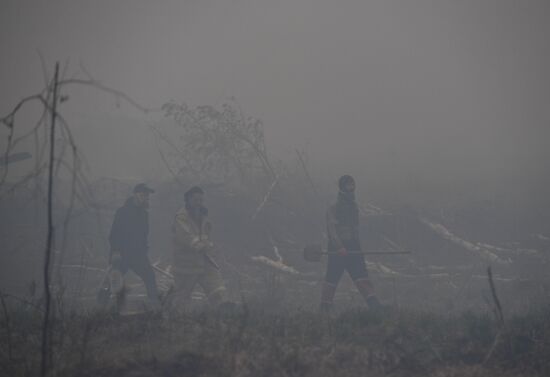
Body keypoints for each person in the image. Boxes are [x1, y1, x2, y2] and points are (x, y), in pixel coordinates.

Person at [320, 175, 381, 311]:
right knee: (331, 280)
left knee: (362, 277)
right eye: (348, 186)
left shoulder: (354, 207)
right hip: (337, 250)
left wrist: (357, 246)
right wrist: (339, 247)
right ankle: (324, 311)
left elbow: (355, 229)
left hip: (354, 247)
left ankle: (377, 310)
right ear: (342, 188)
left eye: (352, 186)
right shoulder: (333, 208)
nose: (351, 189)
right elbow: (332, 231)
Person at [171, 186, 226, 309]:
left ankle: (222, 310)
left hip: (204, 261)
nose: (199, 203)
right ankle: (174, 320)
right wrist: (200, 246)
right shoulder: (181, 217)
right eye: (196, 200)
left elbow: (207, 236)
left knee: (216, 287)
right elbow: (185, 236)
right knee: (181, 297)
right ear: (188, 200)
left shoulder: (204, 216)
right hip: (185, 264)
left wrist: (211, 247)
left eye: (201, 200)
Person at [108, 183, 160, 308]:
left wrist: (144, 249)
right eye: (143, 195)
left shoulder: (144, 214)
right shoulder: (122, 212)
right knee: (112, 282)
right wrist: (115, 252)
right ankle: (101, 306)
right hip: (122, 254)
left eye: (147, 196)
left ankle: (156, 306)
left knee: (150, 277)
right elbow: (114, 234)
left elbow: (143, 235)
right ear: (135, 195)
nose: (146, 198)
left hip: (138, 255)